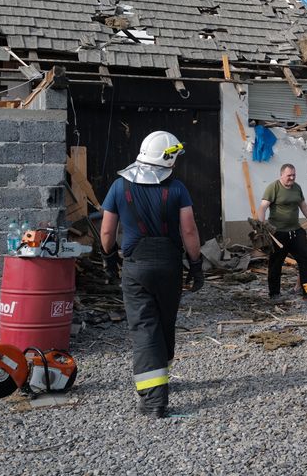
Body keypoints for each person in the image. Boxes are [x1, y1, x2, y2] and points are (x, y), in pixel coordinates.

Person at [100, 131, 203, 419]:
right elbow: (189, 230)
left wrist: (108, 258)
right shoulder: (178, 188)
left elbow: (107, 231)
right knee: (165, 320)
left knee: (145, 327)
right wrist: (195, 265)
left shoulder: (120, 187)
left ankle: (154, 399)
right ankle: (161, 380)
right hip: (170, 265)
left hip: (136, 267)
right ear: (167, 158)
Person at [258, 163, 307, 298]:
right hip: (278, 233)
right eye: (289, 175)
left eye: (294, 175)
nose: (292, 178)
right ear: (281, 175)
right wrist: (261, 225)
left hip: (296, 231)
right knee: (276, 263)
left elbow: (304, 206)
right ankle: (274, 293)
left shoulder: (297, 188)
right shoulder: (273, 188)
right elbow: (263, 207)